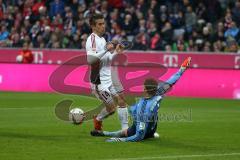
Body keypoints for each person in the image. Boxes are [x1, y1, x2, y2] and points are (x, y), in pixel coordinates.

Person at [91, 57, 191, 142]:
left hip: (144, 130)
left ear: (144, 89)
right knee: (131, 111)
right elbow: (172, 81)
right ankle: (103, 133)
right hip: (152, 127)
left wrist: (118, 140)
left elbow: (139, 136)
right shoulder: (158, 92)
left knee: (128, 130)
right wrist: (182, 69)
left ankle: (107, 134)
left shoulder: (143, 109)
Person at [85, 13, 129, 132]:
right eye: (100, 24)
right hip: (99, 81)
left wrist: (116, 52)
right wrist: (105, 49)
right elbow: (90, 59)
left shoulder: (103, 39)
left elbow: (108, 59)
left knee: (122, 100)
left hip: (109, 78)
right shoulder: (92, 39)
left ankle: (126, 129)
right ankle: (98, 119)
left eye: (103, 23)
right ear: (93, 26)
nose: (103, 26)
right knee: (111, 108)